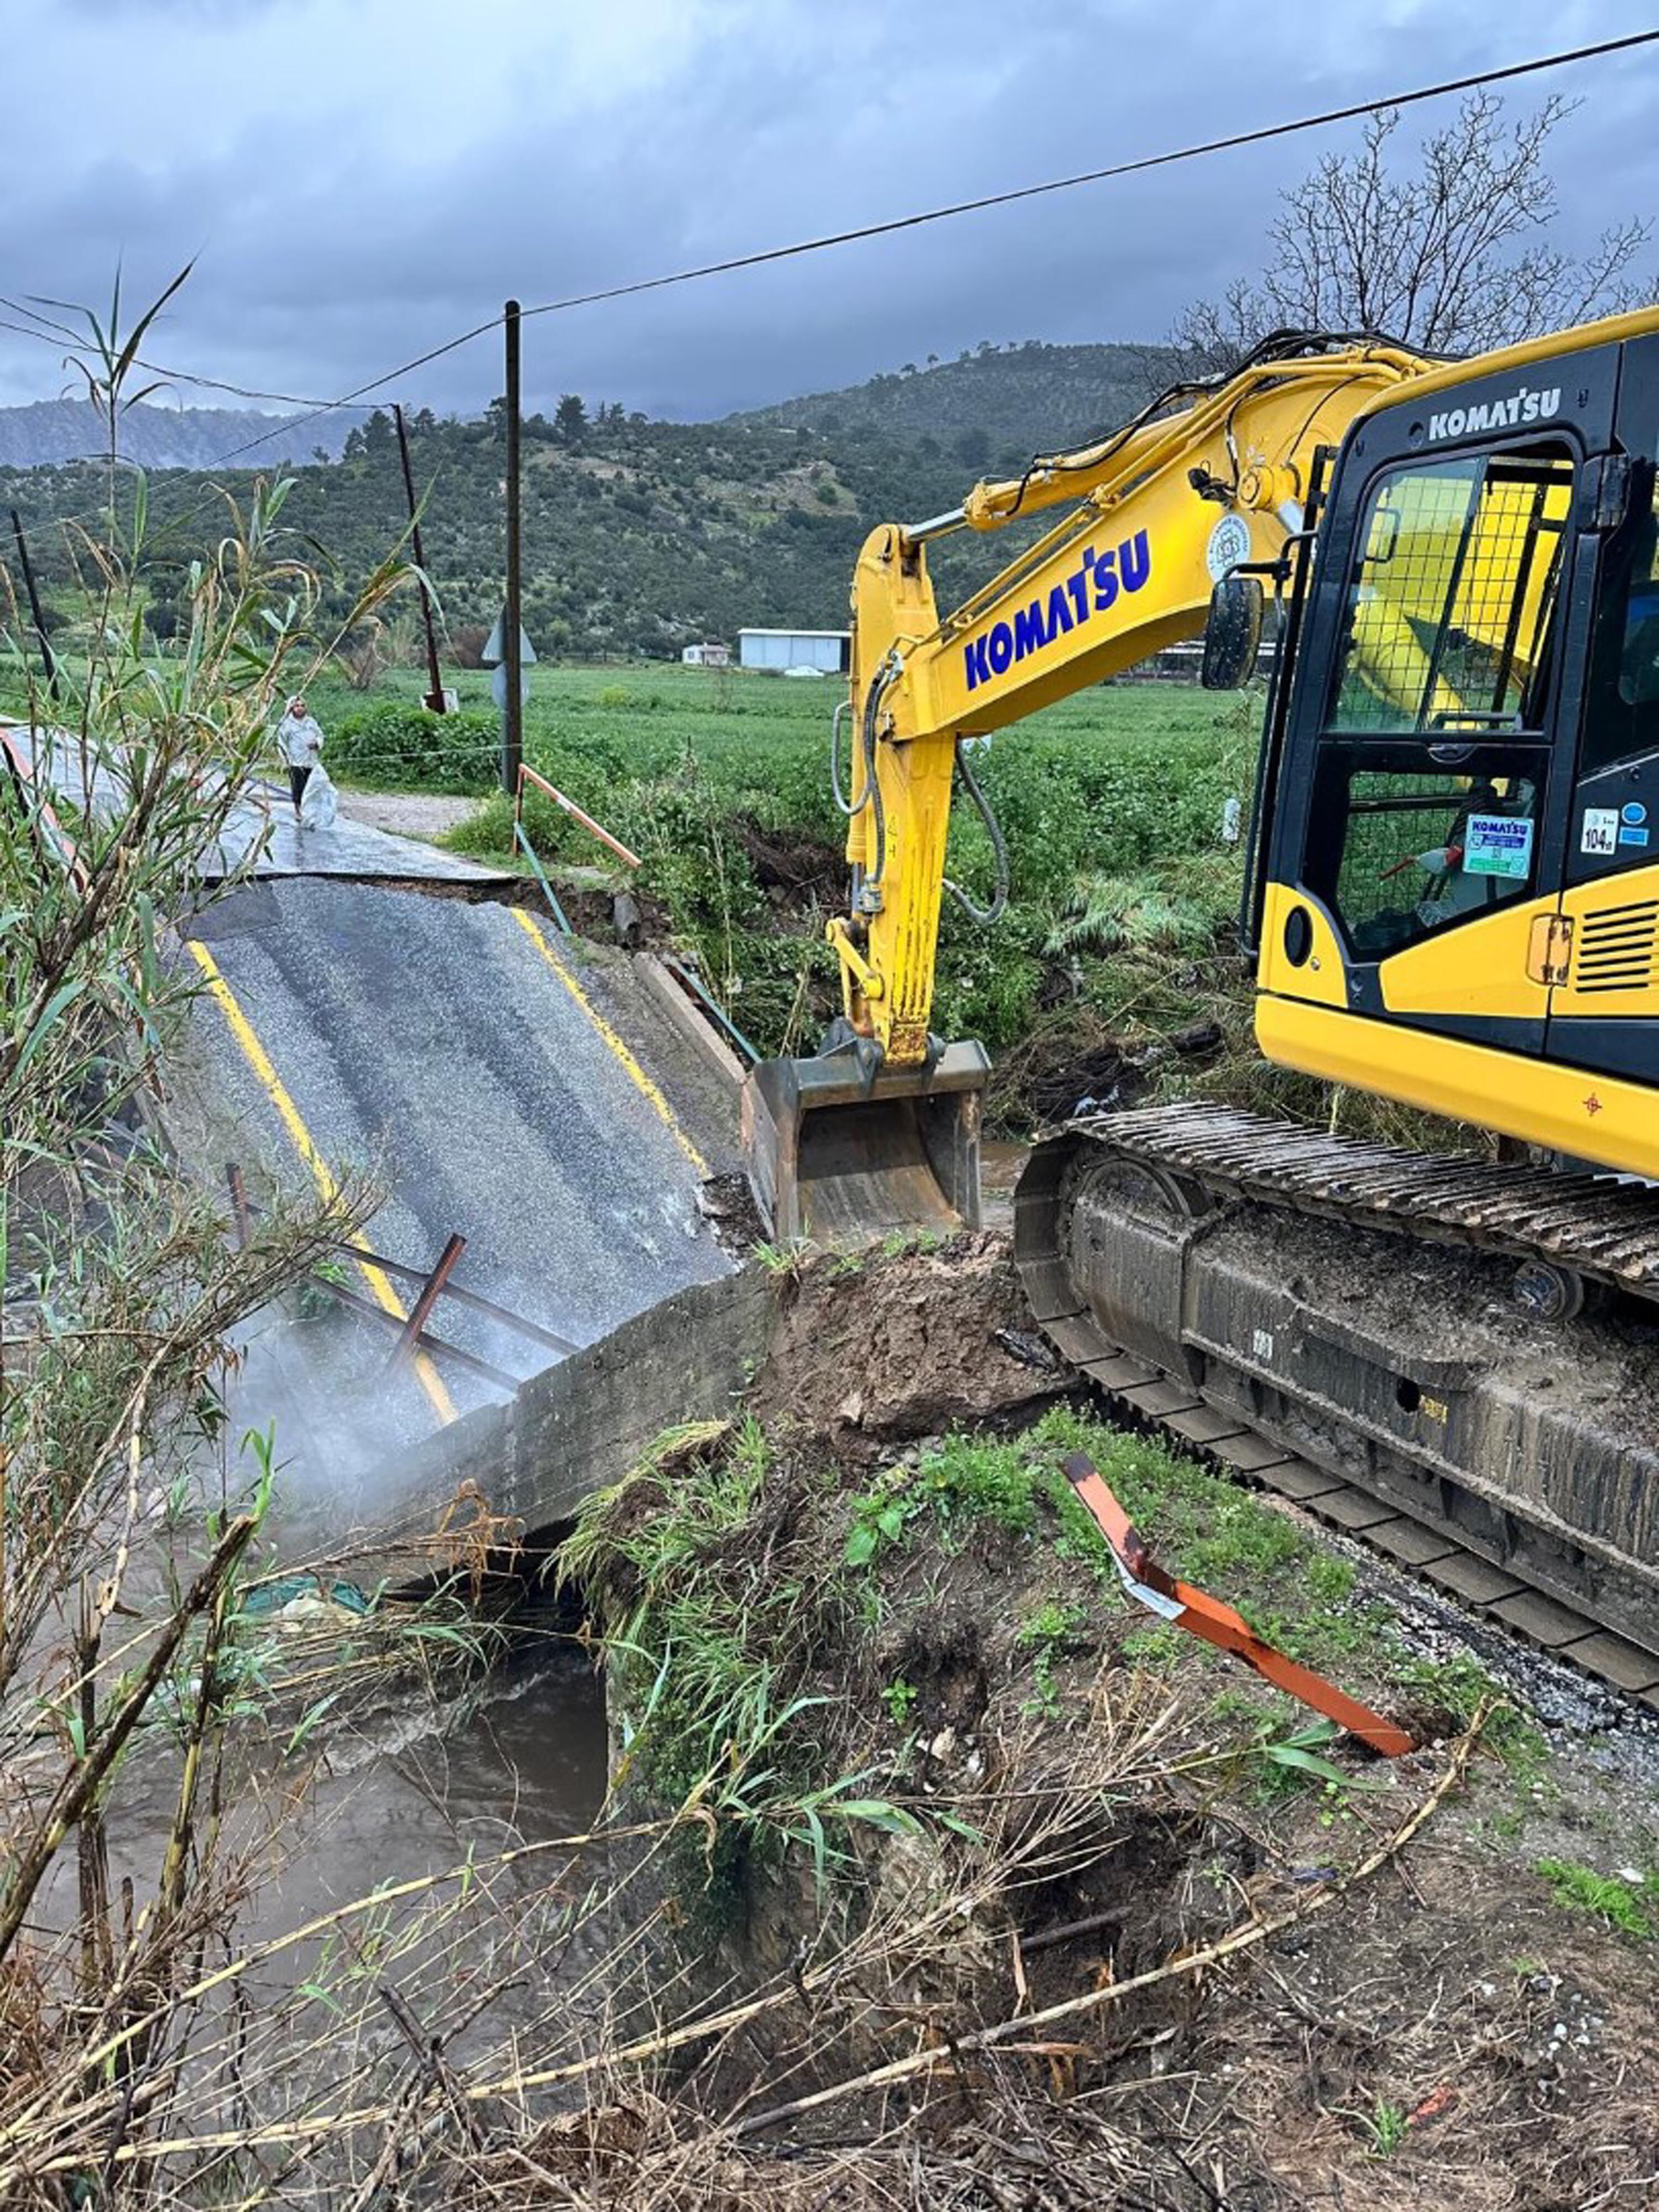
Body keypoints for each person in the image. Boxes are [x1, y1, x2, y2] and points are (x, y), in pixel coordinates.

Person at [276, 695, 324, 820]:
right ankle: (298, 811)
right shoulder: (287, 724)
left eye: (302, 706)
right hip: (295, 761)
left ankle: (310, 810)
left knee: (311, 786)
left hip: (311, 760)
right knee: (299, 787)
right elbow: (281, 742)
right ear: (292, 708)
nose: (300, 708)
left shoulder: (311, 722)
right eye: (297, 706)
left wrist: (317, 743)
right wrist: (285, 759)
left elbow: (320, 735)